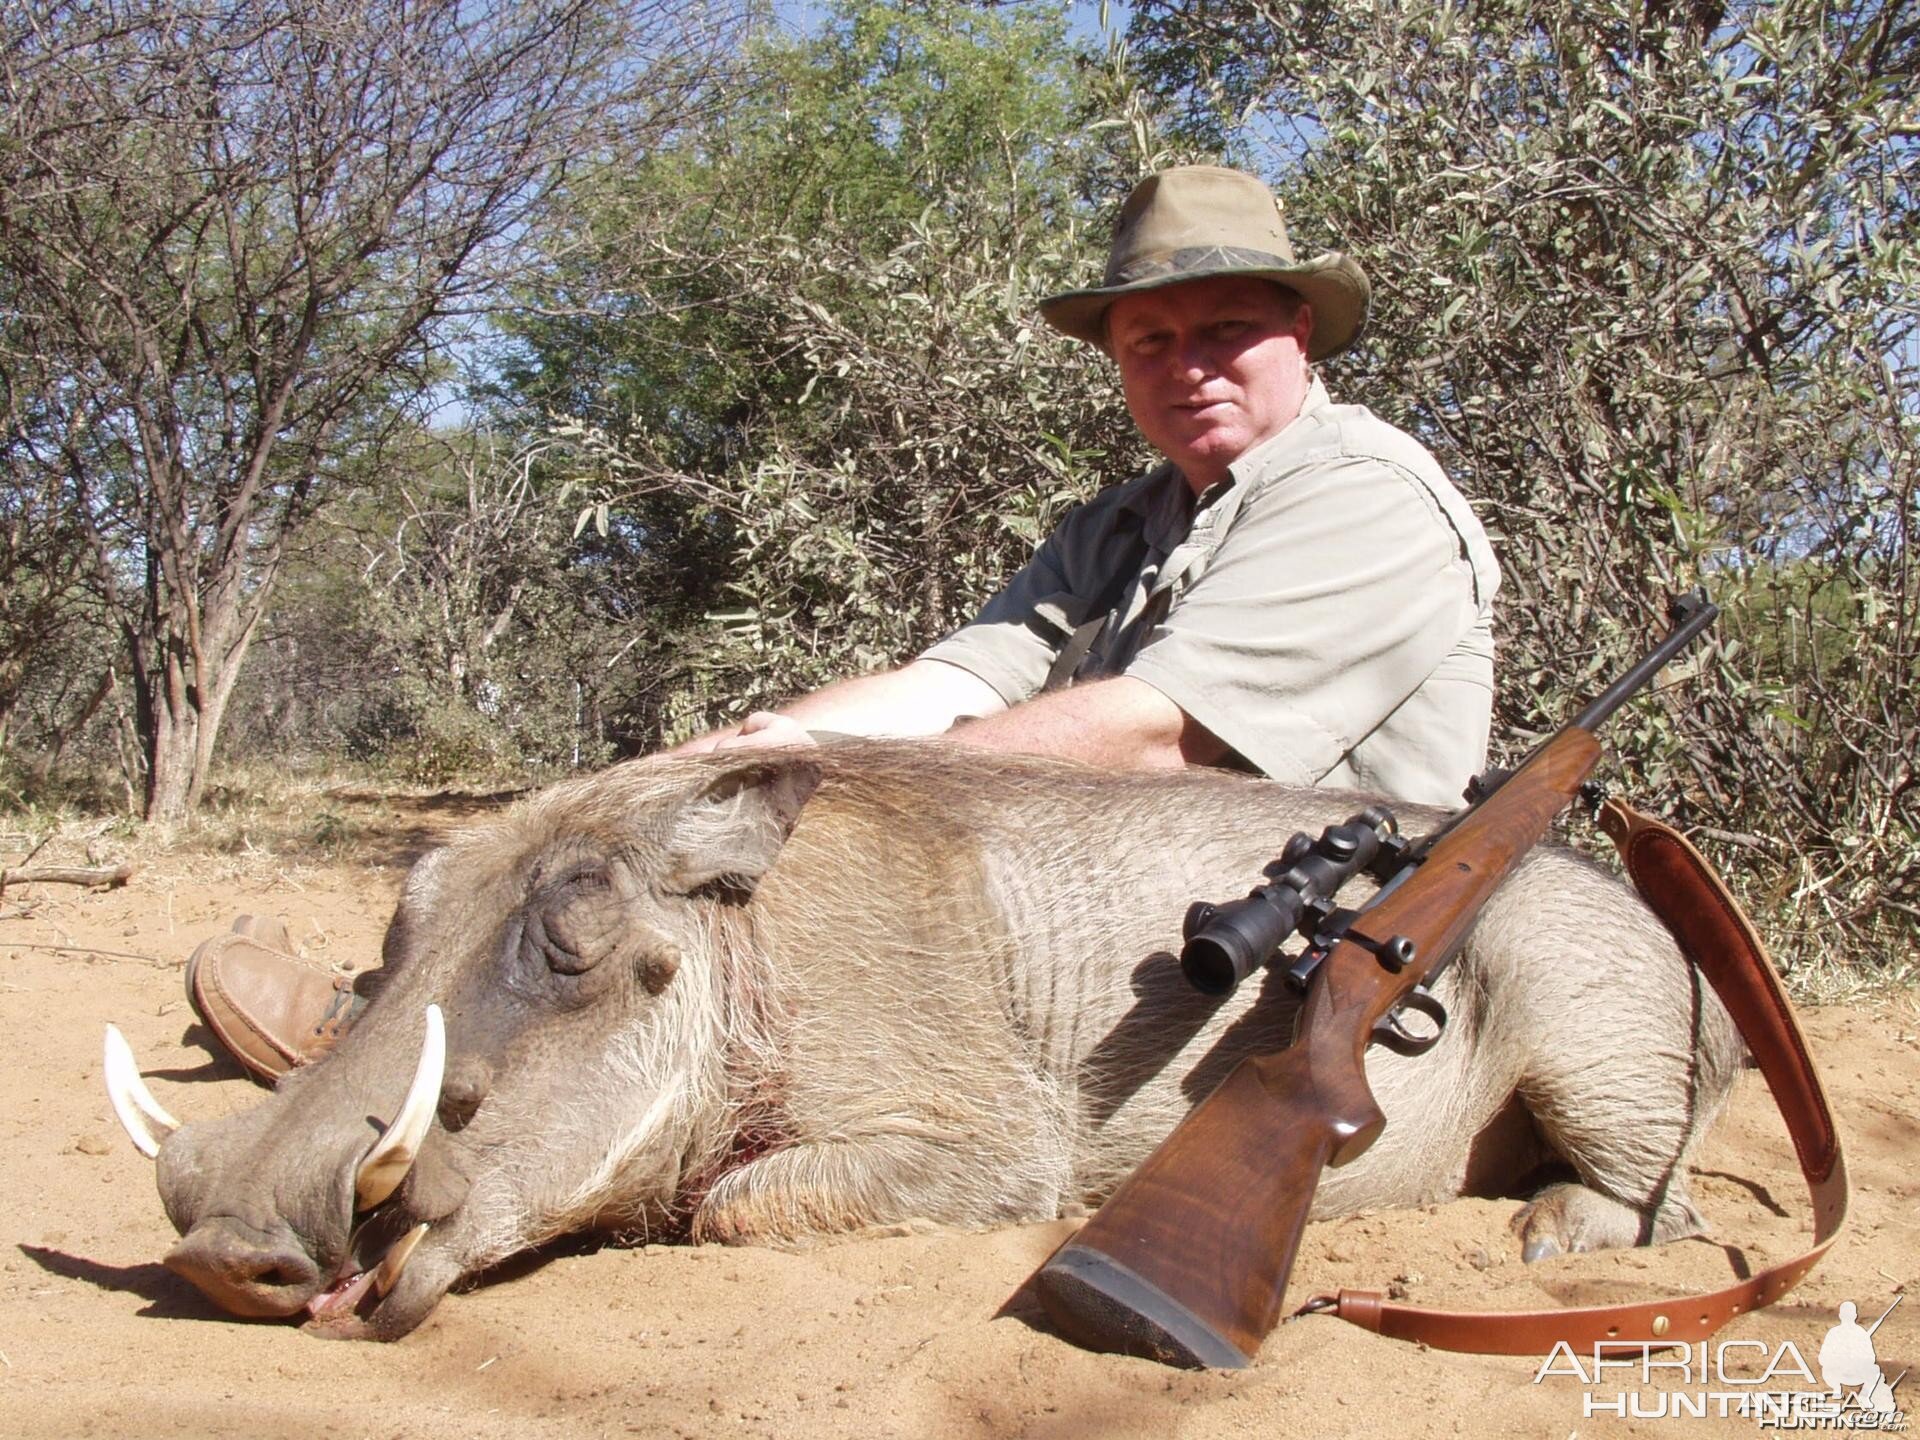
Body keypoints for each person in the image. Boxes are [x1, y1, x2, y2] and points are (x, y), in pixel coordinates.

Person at [187, 165, 1501, 1081]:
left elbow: (1156, 739)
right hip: (1114, 896)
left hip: (1284, 946)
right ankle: (398, 1024)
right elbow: (956, 677)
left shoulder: (1364, 495)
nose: (1186, 366)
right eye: (1149, 340)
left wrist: (814, 794)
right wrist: (720, 759)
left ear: (1301, 334)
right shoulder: (1130, 517)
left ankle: (404, 1050)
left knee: (777, 891)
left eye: (1224, 330)